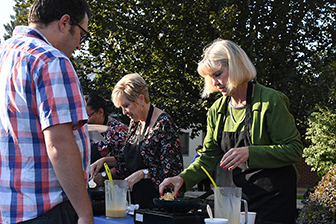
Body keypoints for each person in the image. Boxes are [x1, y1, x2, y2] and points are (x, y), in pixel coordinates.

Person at [159, 39, 303, 224]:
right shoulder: (217, 110)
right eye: (211, 77)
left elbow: (294, 149)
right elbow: (208, 156)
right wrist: (182, 178)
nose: (214, 82)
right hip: (238, 199)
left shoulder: (271, 100)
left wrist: (250, 152)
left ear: (236, 66)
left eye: (218, 74)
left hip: (275, 199)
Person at [0, 0, 94, 223]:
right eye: (82, 34)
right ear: (65, 22)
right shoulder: (52, 60)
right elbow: (59, 144)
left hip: (8, 210)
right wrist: (85, 213)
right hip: (47, 210)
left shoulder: (4, 54)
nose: (80, 45)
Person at [90, 73, 184, 209]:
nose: (124, 112)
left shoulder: (164, 124)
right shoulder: (134, 124)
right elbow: (125, 161)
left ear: (141, 99)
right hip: (136, 201)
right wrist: (104, 162)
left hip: (158, 202)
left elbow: (172, 172)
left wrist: (143, 173)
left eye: (126, 106)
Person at [85, 93, 128, 184]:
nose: (85, 121)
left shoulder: (118, 131)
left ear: (100, 112)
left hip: (112, 187)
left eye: (88, 116)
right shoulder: (85, 130)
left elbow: (127, 163)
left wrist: (102, 176)